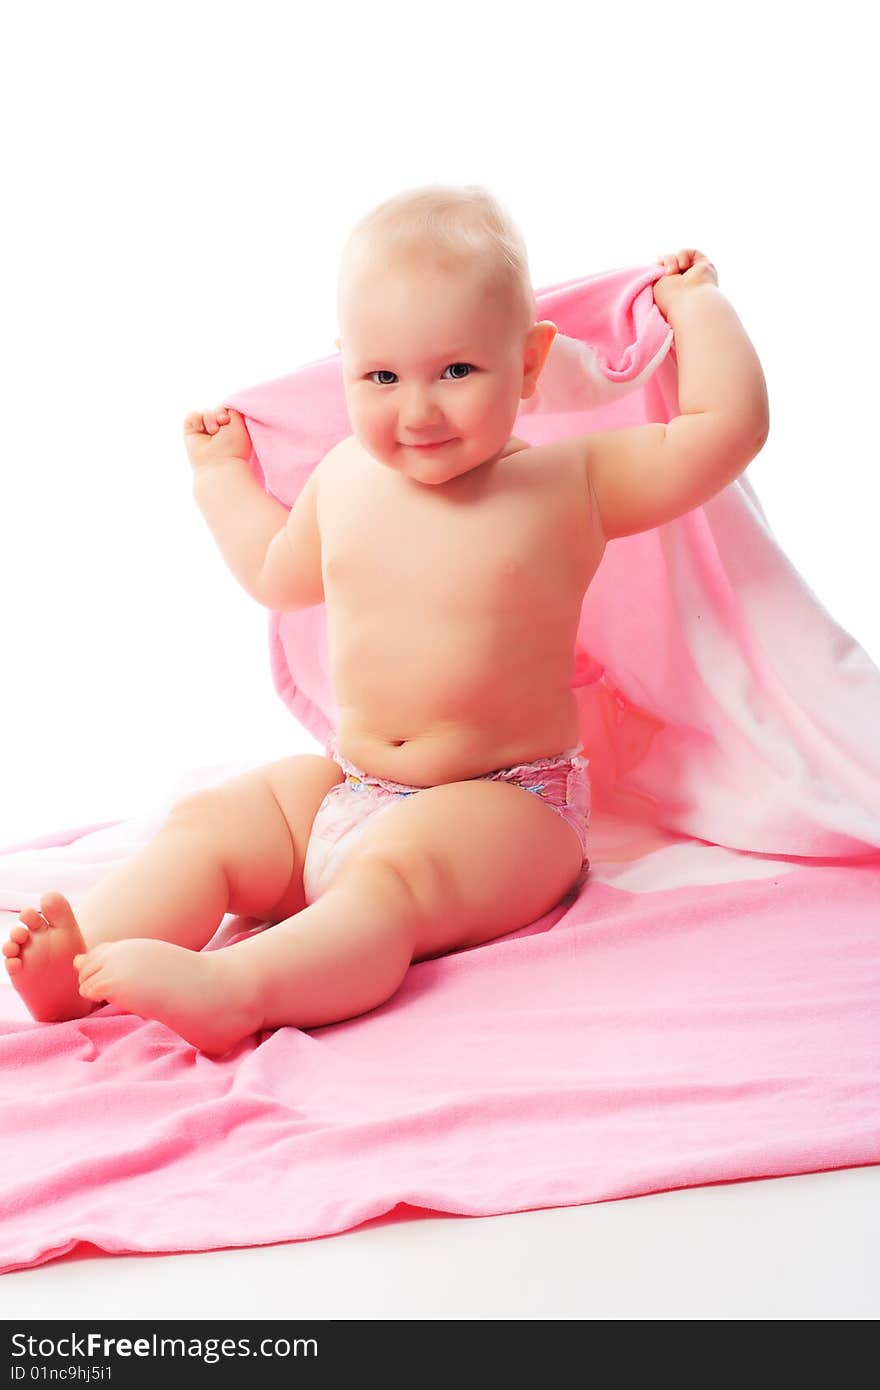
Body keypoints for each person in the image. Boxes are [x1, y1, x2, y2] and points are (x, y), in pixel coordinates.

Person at [2, 184, 769, 1055]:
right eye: (381, 376)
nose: (417, 410)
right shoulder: (344, 477)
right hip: (356, 789)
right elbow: (272, 570)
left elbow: (726, 428)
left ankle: (239, 989)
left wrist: (694, 304)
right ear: (346, 368)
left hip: (508, 805)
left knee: (393, 881)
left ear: (526, 363)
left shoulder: (569, 483)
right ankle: (82, 962)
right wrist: (221, 478)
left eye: (456, 371)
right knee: (218, 821)